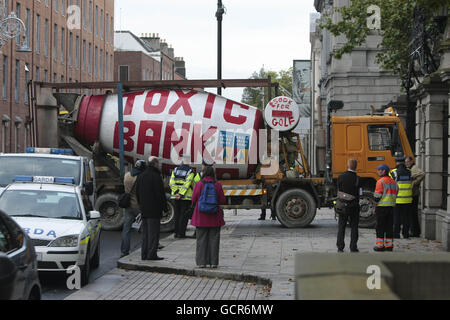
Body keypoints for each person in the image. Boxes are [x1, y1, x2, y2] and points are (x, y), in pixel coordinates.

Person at [191, 166, 226, 268]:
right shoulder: (217, 185)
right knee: (214, 240)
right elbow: (222, 200)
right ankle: (213, 262)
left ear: (204, 173)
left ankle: (201, 263)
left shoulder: (199, 184)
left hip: (201, 217)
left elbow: (193, 199)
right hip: (215, 217)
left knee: (201, 240)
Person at [136, 156, 168, 261]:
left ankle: (144, 254)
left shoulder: (141, 175)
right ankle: (151, 254)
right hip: (154, 210)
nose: (159, 165)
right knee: (153, 233)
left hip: (144, 209)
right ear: (155, 164)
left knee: (145, 234)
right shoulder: (156, 176)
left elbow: (137, 193)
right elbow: (160, 194)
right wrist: (164, 208)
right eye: (158, 164)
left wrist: (141, 205)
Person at [120, 160, 146, 258]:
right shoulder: (140, 177)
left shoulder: (127, 175)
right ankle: (145, 249)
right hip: (138, 206)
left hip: (128, 206)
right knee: (144, 228)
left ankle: (124, 251)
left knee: (126, 230)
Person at [336, 158, 361, 253]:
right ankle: (353, 247)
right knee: (354, 226)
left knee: (341, 226)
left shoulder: (341, 176)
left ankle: (340, 246)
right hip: (354, 205)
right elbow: (359, 192)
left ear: (348, 165)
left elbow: (339, 189)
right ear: (356, 167)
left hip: (343, 205)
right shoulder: (358, 178)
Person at [169, 155, 196, 239]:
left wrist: (176, 192)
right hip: (185, 197)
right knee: (183, 216)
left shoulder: (175, 170)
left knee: (176, 215)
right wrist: (181, 194)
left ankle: (176, 233)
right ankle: (181, 233)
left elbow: (171, 182)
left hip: (175, 197)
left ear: (182, 160)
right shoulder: (190, 171)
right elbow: (187, 183)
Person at [373, 164, 398, 251]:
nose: (378, 171)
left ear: (384, 171)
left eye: (379, 170)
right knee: (389, 227)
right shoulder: (393, 182)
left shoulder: (380, 181)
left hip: (382, 207)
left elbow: (377, 196)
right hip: (391, 208)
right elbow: (396, 192)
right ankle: (389, 246)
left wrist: (375, 204)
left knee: (380, 227)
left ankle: (380, 246)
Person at [390, 155, 413, 239]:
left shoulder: (393, 172)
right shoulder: (409, 172)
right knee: (406, 218)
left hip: (397, 199)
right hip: (408, 199)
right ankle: (405, 234)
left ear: (396, 163)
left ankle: (396, 234)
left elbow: (390, 184)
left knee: (396, 217)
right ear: (404, 162)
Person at [405, 156, 425, 237]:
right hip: (412, 194)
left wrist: (414, 182)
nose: (406, 164)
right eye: (405, 162)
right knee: (411, 214)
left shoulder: (414, 168)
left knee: (413, 214)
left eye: (408, 162)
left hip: (414, 194)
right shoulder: (410, 168)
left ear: (412, 161)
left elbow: (422, 174)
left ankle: (415, 231)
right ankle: (414, 231)